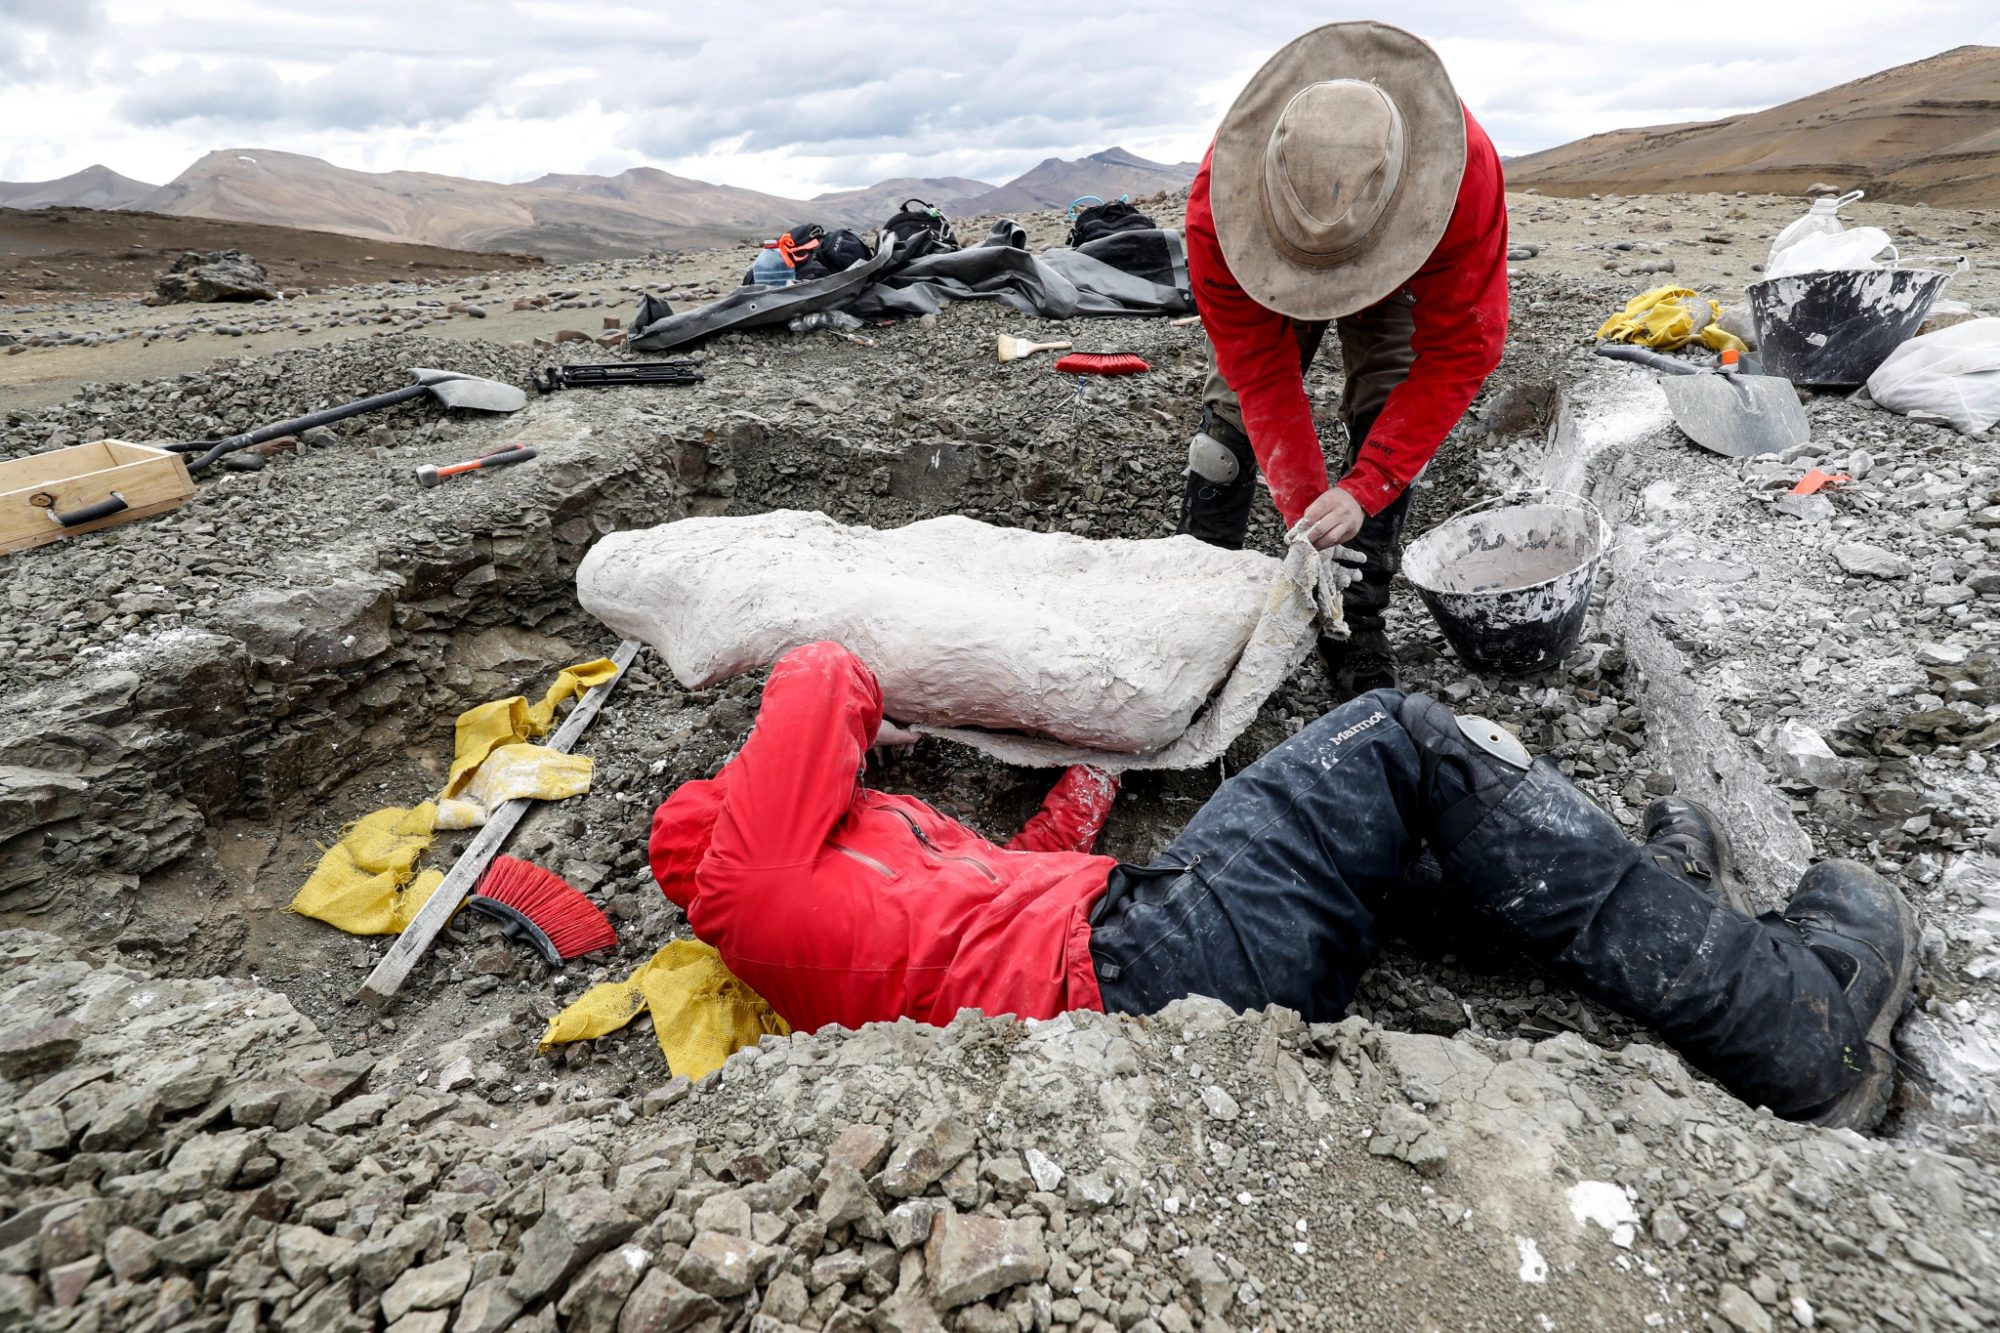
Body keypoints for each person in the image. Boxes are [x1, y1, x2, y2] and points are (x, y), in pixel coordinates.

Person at [650, 641, 1919, 1132]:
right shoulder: (747, 887)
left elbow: (1013, 886)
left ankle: (1661, 902)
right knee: (1390, 737)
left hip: (1140, 946)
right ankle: (1793, 1025)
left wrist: (1089, 779)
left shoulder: (837, 897)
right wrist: (844, 724)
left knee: (1425, 843)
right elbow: (820, 670)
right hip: (1159, 962)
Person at [1176, 21, 1510, 695]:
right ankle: (1196, 597)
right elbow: (1258, 370)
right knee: (1227, 436)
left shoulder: (1460, 178)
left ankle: (1353, 619)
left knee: (1388, 398)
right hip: (1270, 253)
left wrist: (1367, 486)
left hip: (1400, 245)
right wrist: (1306, 505)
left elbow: (1460, 347)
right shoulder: (1221, 208)